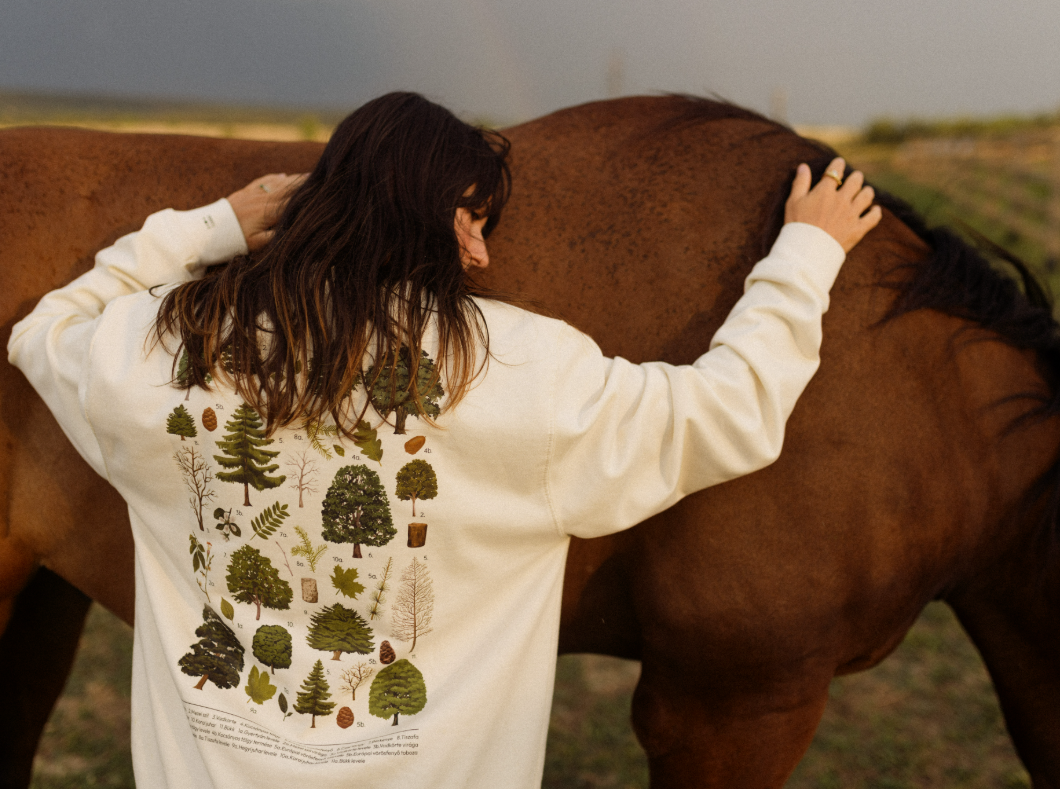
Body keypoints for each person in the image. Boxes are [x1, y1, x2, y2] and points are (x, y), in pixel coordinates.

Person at [8, 92, 880, 788]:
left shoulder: (169, 352)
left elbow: (47, 329)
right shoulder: (518, 370)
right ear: (441, 218)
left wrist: (213, 226)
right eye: (477, 219)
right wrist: (805, 253)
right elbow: (727, 411)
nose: (484, 254)